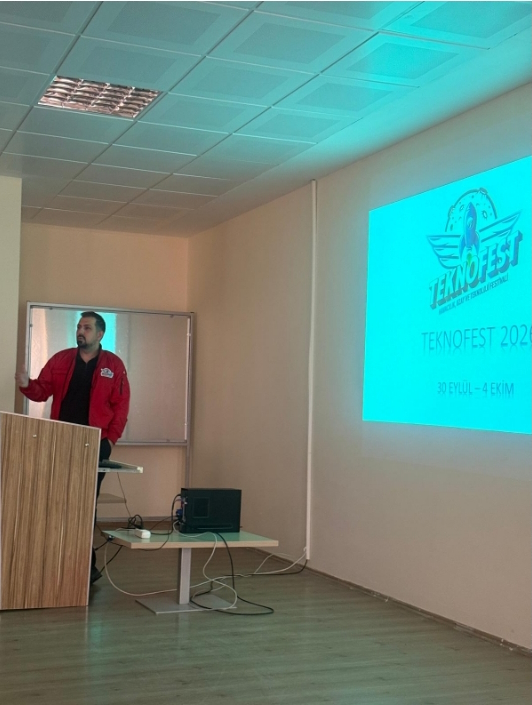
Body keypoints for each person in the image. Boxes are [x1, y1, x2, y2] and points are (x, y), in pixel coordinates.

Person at [15, 311, 130, 585]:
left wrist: (110, 440)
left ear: (100, 334)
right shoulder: (61, 359)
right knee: (58, 501)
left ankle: (84, 567)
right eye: (79, 327)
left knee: (85, 504)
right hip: (62, 440)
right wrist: (27, 385)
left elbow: (121, 406)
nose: (81, 331)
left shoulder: (113, 365)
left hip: (95, 443)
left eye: (87, 327)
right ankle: (57, 561)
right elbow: (42, 391)